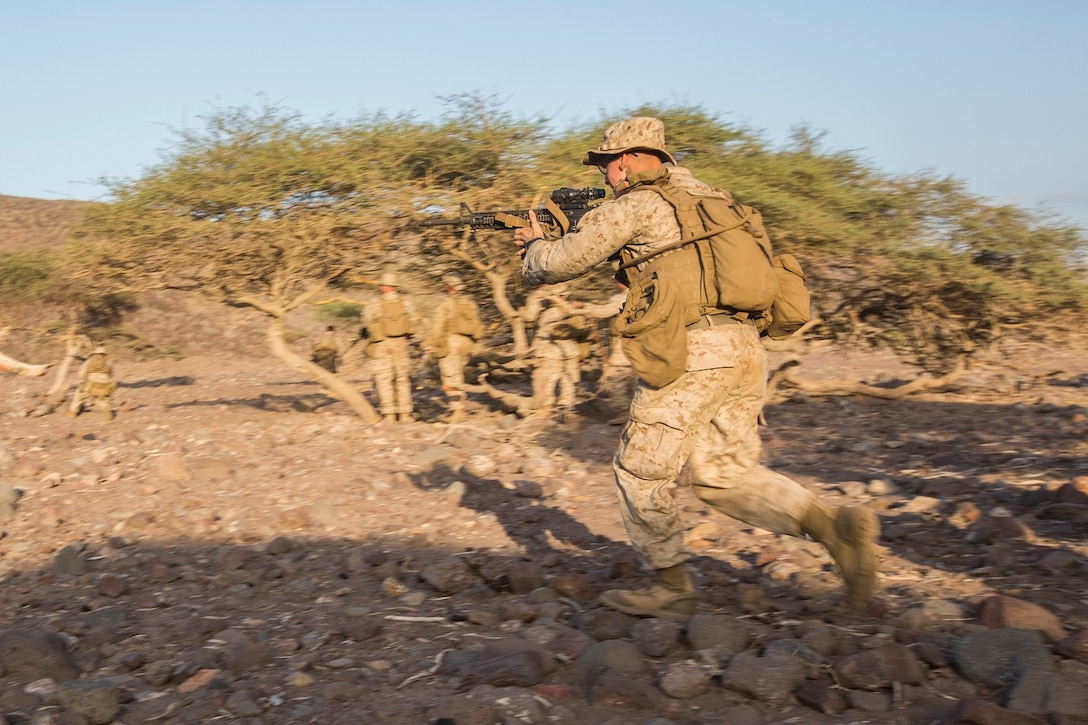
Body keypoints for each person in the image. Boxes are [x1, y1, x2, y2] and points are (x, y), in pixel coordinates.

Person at [514, 116, 879, 621]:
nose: (603, 175)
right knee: (724, 473)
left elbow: (557, 265)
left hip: (694, 351)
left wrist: (534, 245)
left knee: (640, 471)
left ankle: (673, 589)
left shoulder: (638, 203)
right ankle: (834, 529)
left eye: (605, 165)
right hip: (745, 347)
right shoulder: (716, 200)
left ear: (626, 160)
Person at [363, 272, 420, 422]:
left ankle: (389, 413)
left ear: (383, 286)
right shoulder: (405, 302)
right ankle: (405, 413)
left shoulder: (375, 302)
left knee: (384, 378)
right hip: (401, 343)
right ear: (395, 286)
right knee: (402, 378)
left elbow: (367, 320)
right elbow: (413, 320)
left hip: (382, 343)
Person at [528, 286, 588, 422]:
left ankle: (546, 408)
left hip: (550, 351)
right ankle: (565, 406)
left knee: (548, 381)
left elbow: (529, 318)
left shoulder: (553, 311)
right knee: (568, 380)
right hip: (570, 350)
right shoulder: (576, 312)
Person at [429, 274, 483, 423]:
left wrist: (434, 345)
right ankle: (461, 408)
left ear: (448, 287)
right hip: (466, 343)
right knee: (459, 375)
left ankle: (457, 411)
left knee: (450, 377)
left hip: (451, 342)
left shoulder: (445, 303)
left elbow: (437, 327)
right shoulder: (470, 303)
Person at [68, 346, 116, 420]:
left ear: (93, 354)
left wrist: (85, 379)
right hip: (104, 384)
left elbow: (81, 373)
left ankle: (73, 412)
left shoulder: (88, 361)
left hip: (90, 383)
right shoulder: (109, 362)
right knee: (102, 400)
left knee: (78, 396)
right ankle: (106, 410)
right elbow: (111, 374)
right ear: (104, 354)